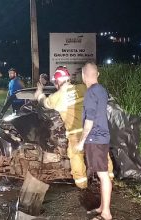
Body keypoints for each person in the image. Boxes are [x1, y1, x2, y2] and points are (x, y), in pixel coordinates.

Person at [34, 66, 89, 189]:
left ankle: (83, 187)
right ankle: (108, 181)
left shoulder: (58, 96)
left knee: (75, 156)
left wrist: (39, 94)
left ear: (58, 81)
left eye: (55, 82)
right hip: (93, 129)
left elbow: (46, 103)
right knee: (101, 155)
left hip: (76, 133)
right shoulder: (82, 88)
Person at [76, 62, 112, 220]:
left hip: (95, 138)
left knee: (103, 175)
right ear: (97, 74)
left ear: (84, 76)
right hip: (102, 137)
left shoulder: (90, 93)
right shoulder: (102, 90)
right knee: (101, 173)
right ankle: (102, 207)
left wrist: (81, 141)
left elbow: (89, 120)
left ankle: (106, 213)